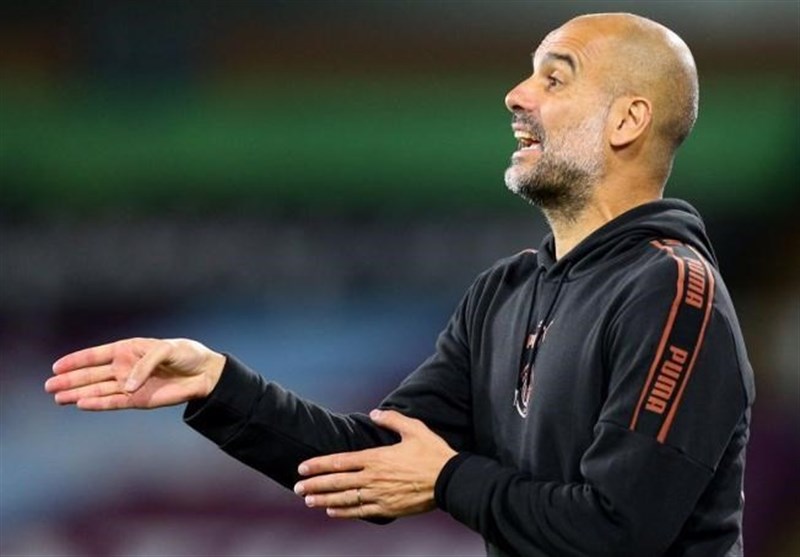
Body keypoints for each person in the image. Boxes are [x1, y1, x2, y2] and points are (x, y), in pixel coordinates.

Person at [45, 12, 755, 557]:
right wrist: (218, 384)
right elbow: (378, 462)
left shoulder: (672, 292)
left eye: (554, 78)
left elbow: (619, 530)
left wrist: (449, 479)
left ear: (628, 120)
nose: (516, 95)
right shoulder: (506, 292)